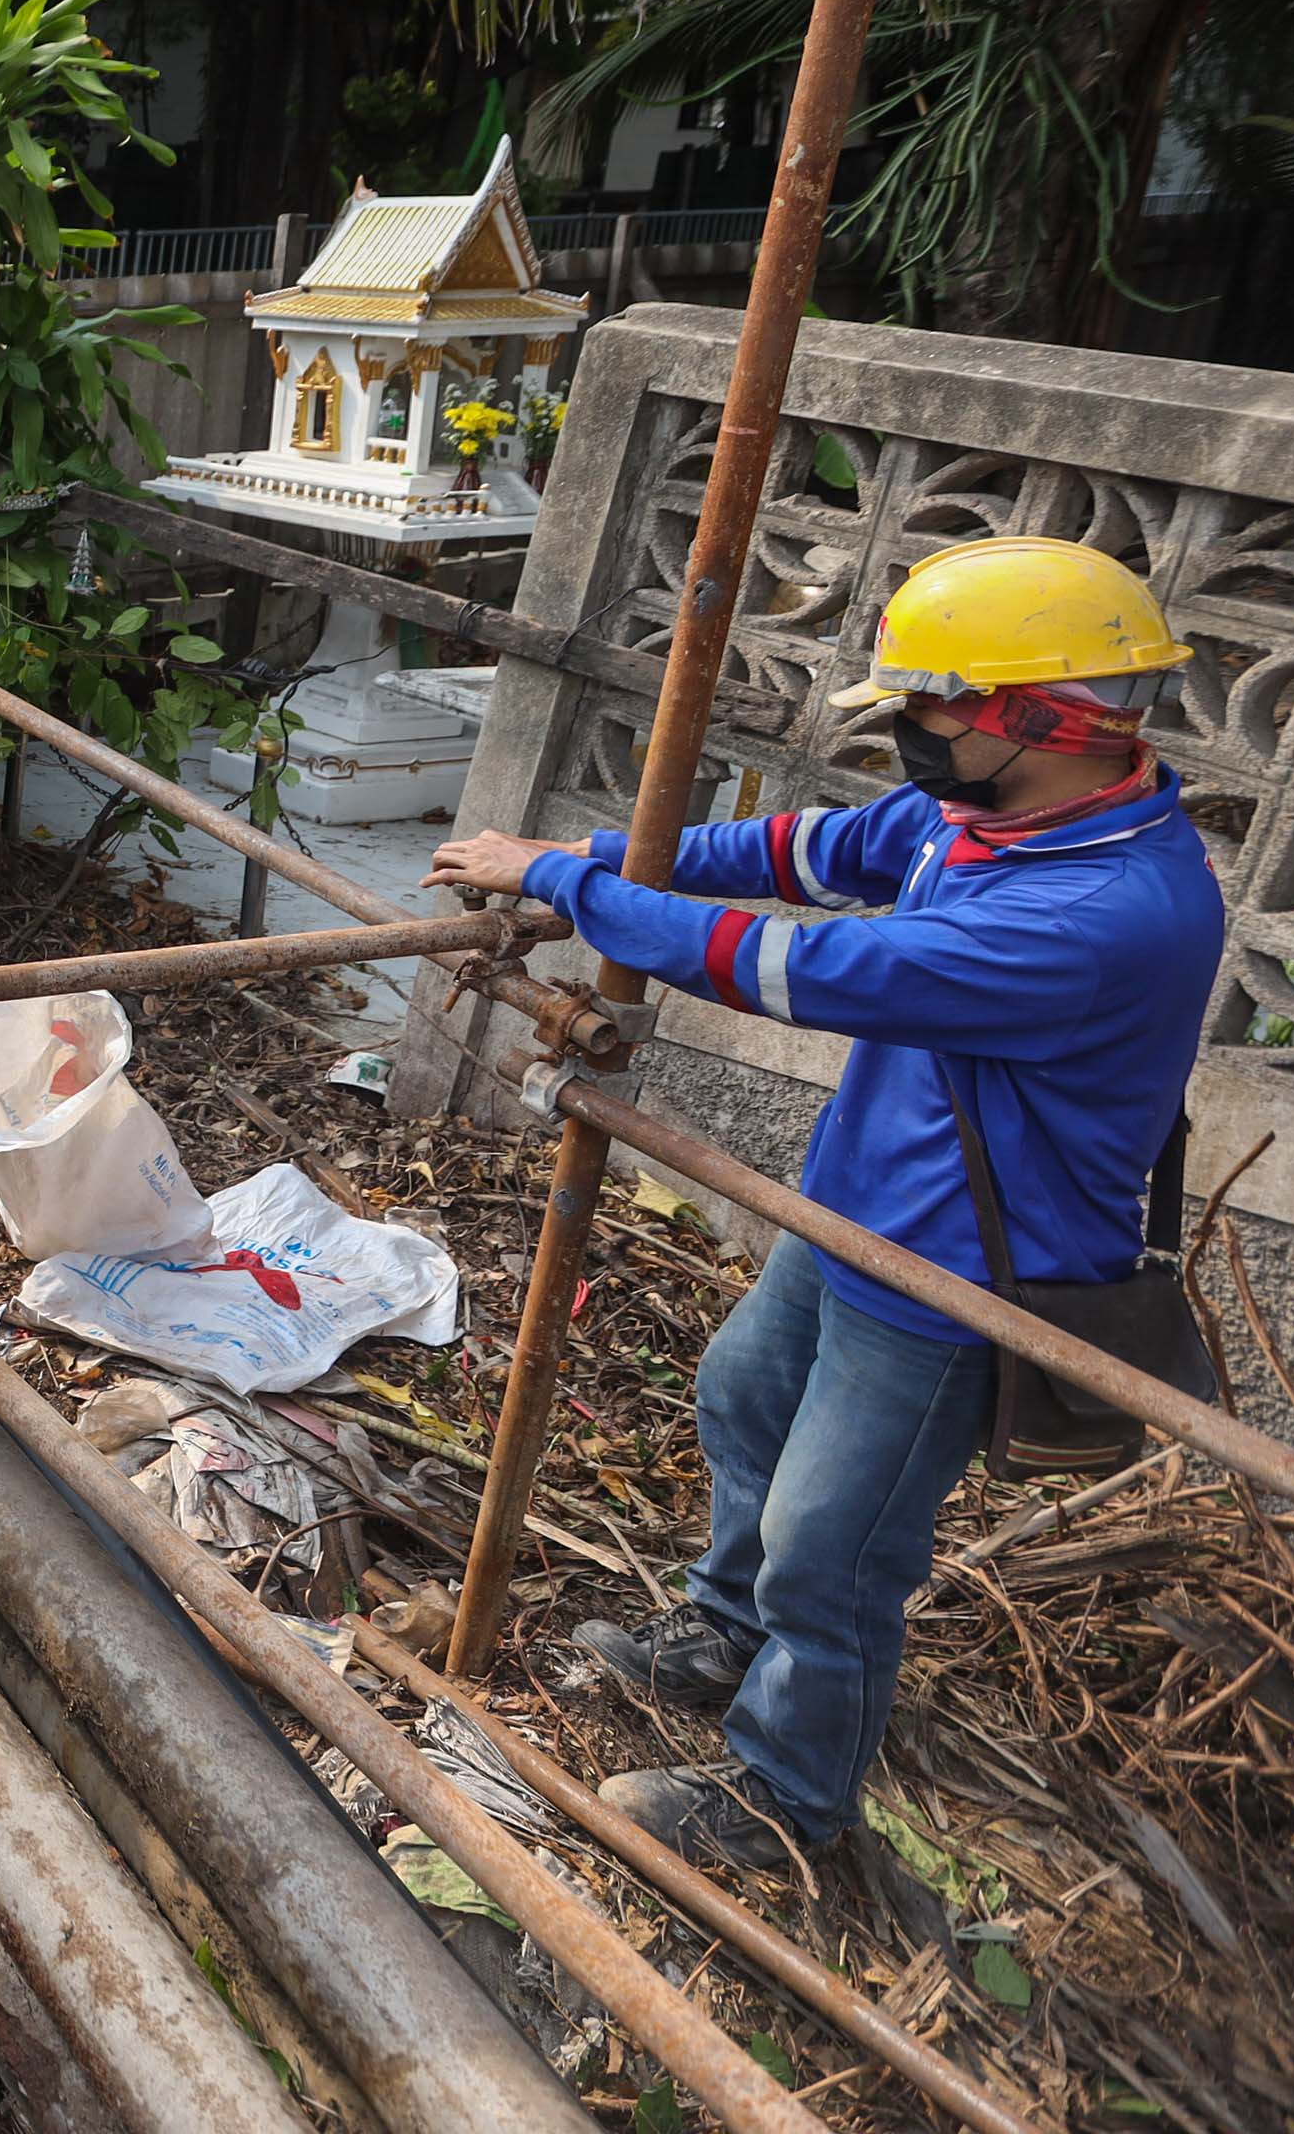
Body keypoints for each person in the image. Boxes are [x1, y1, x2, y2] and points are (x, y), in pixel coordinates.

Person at [424, 535, 1221, 1872]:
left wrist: (568, 886)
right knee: (742, 1393)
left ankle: (788, 1798)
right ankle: (724, 1632)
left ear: (1040, 718)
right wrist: (601, 853)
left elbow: (789, 964)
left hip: (960, 1273)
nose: (906, 730)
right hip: (866, 1210)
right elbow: (798, 848)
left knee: (833, 1549)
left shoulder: (1098, 910)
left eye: (929, 704)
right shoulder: (986, 816)